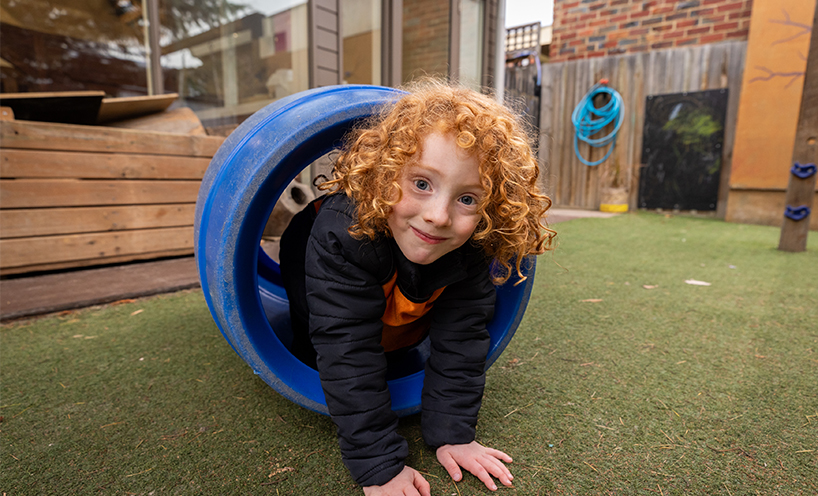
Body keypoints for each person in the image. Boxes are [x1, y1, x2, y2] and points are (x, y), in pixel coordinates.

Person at [278, 80, 554, 495]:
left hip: (401, 280)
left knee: (410, 316)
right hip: (311, 252)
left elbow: (463, 338)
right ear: (385, 173)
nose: (438, 216)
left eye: (468, 199)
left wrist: (453, 434)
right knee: (320, 343)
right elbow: (344, 345)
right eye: (422, 184)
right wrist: (378, 466)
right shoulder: (342, 232)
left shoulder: (472, 246)